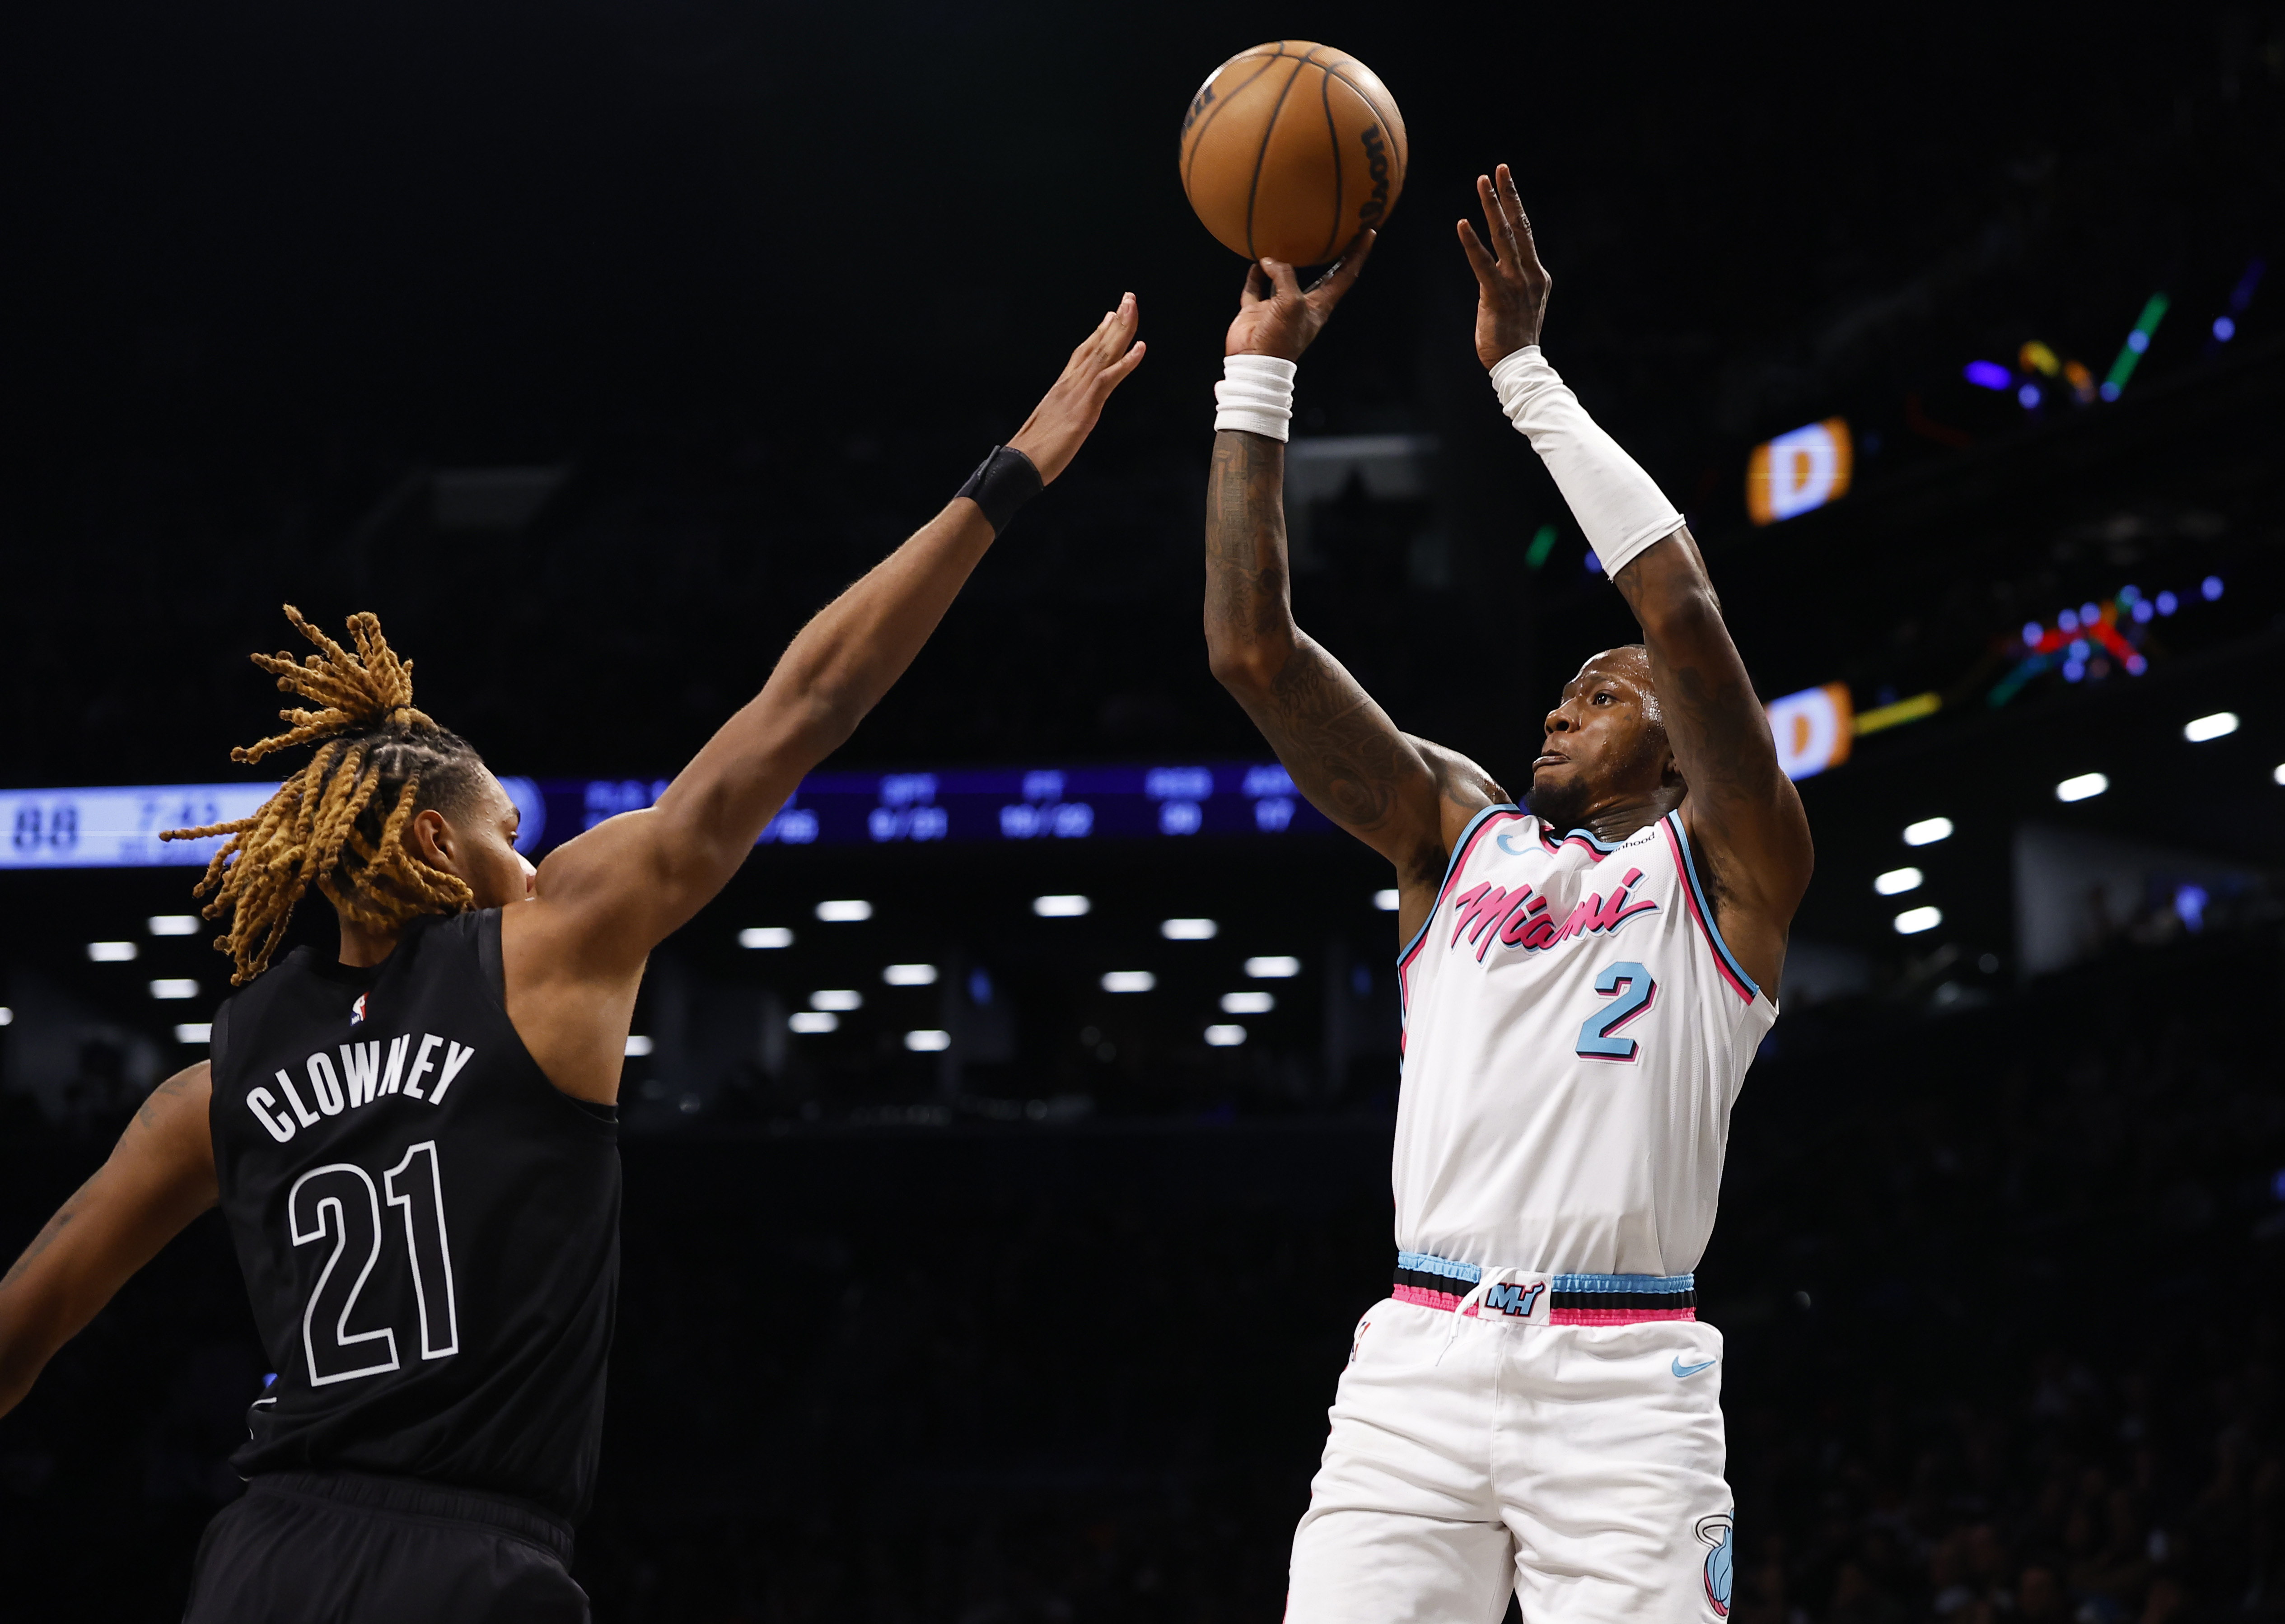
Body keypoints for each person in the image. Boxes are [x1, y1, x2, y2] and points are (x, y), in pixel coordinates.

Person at [0, 296, 1146, 1622]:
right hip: (468, 1563)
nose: (533, 862)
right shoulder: (551, 943)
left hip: (261, 1561)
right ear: (437, 842)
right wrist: (1010, 474)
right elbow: (805, 704)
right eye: (511, 834)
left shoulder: (214, 1086)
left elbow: (24, 1325)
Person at [1201, 168, 1813, 1622]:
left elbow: (1679, 607)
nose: (1559, 708)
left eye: (1598, 692)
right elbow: (1253, 655)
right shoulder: (1450, 833)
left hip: (1621, 1383)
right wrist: (1255, 385)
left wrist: (1524, 378)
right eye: (1558, 687)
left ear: (1679, 738)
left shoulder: (1730, 871)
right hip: (1416, 1361)